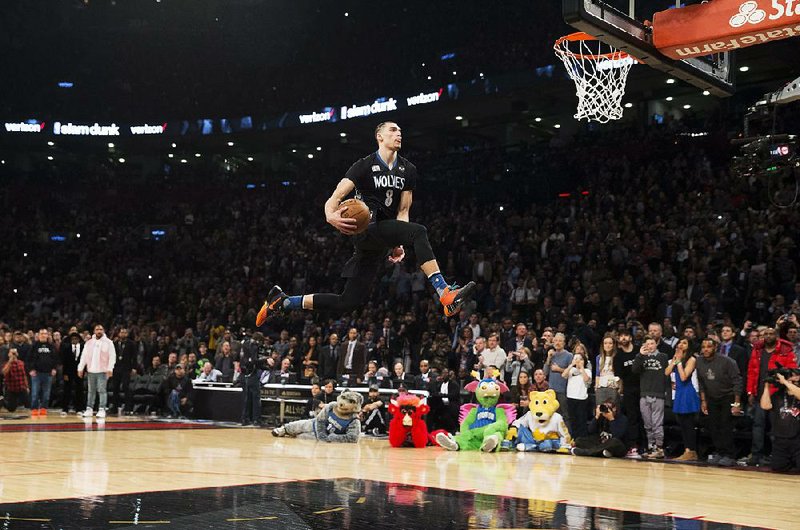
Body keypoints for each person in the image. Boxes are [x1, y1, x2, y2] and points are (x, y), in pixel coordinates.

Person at [255, 121, 476, 324]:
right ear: (379, 136)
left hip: (381, 237)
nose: (398, 133)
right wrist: (330, 215)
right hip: (367, 227)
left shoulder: (408, 169)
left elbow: (404, 210)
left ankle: (283, 302)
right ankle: (444, 292)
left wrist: (398, 242)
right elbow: (334, 198)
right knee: (420, 231)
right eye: (393, 130)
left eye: (400, 131)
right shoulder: (363, 165)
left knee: (347, 302)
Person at [745, 326, 797, 466]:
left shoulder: (786, 351)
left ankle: (778, 456)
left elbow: (791, 372)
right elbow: (751, 371)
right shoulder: (757, 351)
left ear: (777, 336)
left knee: (776, 428)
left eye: (771, 334)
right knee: (758, 425)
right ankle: (756, 455)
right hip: (760, 394)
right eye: (765, 334)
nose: (768, 336)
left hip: (779, 395)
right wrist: (750, 392)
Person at [696, 337, 743, 467]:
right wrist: (703, 401)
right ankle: (720, 452)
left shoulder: (727, 361)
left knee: (725, 426)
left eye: (709, 346)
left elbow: (737, 381)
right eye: (703, 346)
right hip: (711, 397)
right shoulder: (699, 361)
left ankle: (730, 455)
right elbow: (701, 382)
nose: (705, 349)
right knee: (713, 427)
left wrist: (737, 403)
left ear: (715, 348)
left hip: (727, 397)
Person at [632, 336, 669, 459]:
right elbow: (635, 370)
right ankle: (651, 447)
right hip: (644, 394)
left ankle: (659, 447)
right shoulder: (641, 357)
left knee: (657, 423)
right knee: (647, 424)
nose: (650, 346)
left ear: (656, 344)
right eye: (647, 343)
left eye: (652, 343)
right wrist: (640, 355)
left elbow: (667, 374)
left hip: (658, 394)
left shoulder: (663, 357)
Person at [665, 338, 700, 461]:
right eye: (680, 342)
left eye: (684, 343)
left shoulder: (691, 359)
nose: (681, 344)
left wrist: (679, 362)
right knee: (682, 423)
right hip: (679, 393)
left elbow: (684, 377)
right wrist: (674, 361)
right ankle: (688, 450)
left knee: (688, 423)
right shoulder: (676, 358)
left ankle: (691, 450)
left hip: (687, 393)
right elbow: (667, 372)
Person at [760, 369, 800, 472]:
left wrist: (785, 382)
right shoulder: (778, 395)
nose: (793, 378)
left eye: (795, 376)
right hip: (781, 439)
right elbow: (765, 405)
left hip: (798, 439)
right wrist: (767, 386)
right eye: (791, 376)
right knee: (778, 467)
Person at [77, 324, 116, 419]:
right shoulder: (89, 343)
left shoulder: (109, 342)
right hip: (91, 370)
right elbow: (84, 356)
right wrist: (80, 368)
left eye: (101, 329)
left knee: (102, 390)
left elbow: (112, 356)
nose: (99, 331)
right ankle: (89, 408)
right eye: (97, 329)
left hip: (102, 370)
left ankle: (102, 409)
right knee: (91, 391)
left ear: (103, 331)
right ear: (94, 331)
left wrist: (110, 368)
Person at [544, 332, 573, 425]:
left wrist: (559, 369)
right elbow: (545, 372)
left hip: (563, 389)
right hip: (551, 390)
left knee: (565, 414)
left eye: (560, 341)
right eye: (555, 341)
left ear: (564, 343)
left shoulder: (569, 356)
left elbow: (572, 372)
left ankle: (567, 435)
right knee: (551, 413)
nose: (557, 343)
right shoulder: (552, 355)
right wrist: (548, 358)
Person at [563, 348, 592, 438]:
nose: (578, 361)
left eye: (580, 359)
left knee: (581, 420)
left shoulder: (587, 371)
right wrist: (571, 365)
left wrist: (581, 368)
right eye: (576, 358)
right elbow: (564, 375)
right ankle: (574, 438)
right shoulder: (571, 371)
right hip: (570, 397)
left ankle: (582, 439)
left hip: (581, 398)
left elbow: (587, 379)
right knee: (573, 420)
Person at [29, 329, 58, 416]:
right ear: (38, 335)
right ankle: (34, 408)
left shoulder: (51, 346)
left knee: (46, 393)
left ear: (47, 335)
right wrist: (31, 369)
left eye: (45, 334)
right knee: (35, 392)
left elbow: (55, 358)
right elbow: (29, 359)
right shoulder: (34, 345)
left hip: (48, 373)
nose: (43, 335)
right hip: (36, 373)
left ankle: (44, 408)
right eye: (41, 333)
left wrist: (54, 368)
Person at [240, 332, 265, 426]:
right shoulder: (254, 346)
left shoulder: (244, 344)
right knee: (256, 397)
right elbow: (254, 360)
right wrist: (265, 360)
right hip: (251, 374)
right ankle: (256, 419)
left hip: (243, 374)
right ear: (258, 340)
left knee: (246, 398)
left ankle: (244, 419)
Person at [61, 331, 84, 415]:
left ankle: (79, 409)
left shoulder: (83, 348)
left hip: (79, 372)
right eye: (73, 339)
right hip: (68, 372)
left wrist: (83, 371)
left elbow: (84, 360)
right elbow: (64, 361)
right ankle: (65, 409)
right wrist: (65, 374)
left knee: (79, 390)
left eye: (76, 339)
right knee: (67, 390)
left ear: (79, 339)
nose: (74, 340)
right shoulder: (66, 348)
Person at [595, 333, 620, 406]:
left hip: (613, 388)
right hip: (601, 388)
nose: (607, 345)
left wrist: (619, 388)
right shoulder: (599, 357)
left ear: (613, 345)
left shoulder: (617, 357)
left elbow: (619, 374)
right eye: (605, 343)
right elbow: (597, 373)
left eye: (610, 343)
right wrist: (596, 386)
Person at [2, 348, 29, 413]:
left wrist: (27, 387)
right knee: (11, 409)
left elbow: (24, 375)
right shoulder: (5, 364)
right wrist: (10, 362)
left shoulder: (21, 363)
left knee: (28, 405)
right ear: (8, 354)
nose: (13, 354)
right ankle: (2, 400)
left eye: (15, 353)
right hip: (12, 389)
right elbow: (4, 372)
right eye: (12, 353)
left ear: (17, 354)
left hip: (21, 387)